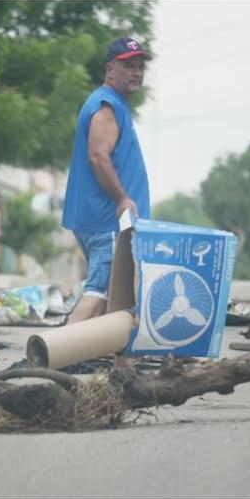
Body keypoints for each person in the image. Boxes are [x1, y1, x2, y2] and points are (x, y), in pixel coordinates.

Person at [62, 37, 152, 323]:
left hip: (106, 219)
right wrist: (122, 198)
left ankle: (102, 357)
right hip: (107, 219)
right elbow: (99, 156)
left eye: (140, 67)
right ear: (110, 68)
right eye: (129, 66)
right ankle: (49, 354)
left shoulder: (113, 104)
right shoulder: (106, 105)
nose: (137, 72)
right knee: (99, 290)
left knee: (113, 293)